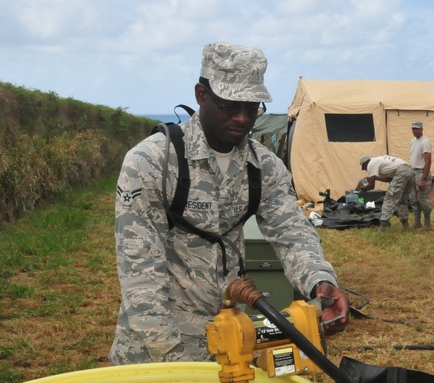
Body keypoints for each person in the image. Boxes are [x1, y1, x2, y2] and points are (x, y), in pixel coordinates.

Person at [110, 42, 350, 364]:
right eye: (229, 105)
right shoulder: (152, 162)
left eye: (252, 109)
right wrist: (174, 362)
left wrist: (320, 281)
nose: (241, 118)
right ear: (201, 95)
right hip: (156, 348)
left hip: (230, 339)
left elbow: (292, 233)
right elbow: (140, 273)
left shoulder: (263, 167)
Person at [356, 154, 415, 232]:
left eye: (364, 169)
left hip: (401, 172)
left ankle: (382, 227)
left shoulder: (370, 164)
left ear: (365, 165)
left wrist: (362, 188)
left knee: (389, 199)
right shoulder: (379, 160)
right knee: (402, 200)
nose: (366, 170)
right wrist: (375, 178)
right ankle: (405, 226)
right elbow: (388, 179)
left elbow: (371, 186)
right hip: (410, 171)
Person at [408, 121, 433, 229]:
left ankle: (427, 223)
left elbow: (428, 161)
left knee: (423, 199)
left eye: (417, 129)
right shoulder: (413, 141)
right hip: (413, 172)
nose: (415, 131)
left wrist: (424, 178)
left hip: (421, 172)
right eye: (413, 129)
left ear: (422, 129)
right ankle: (417, 222)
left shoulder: (425, 142)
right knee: (413, 199)